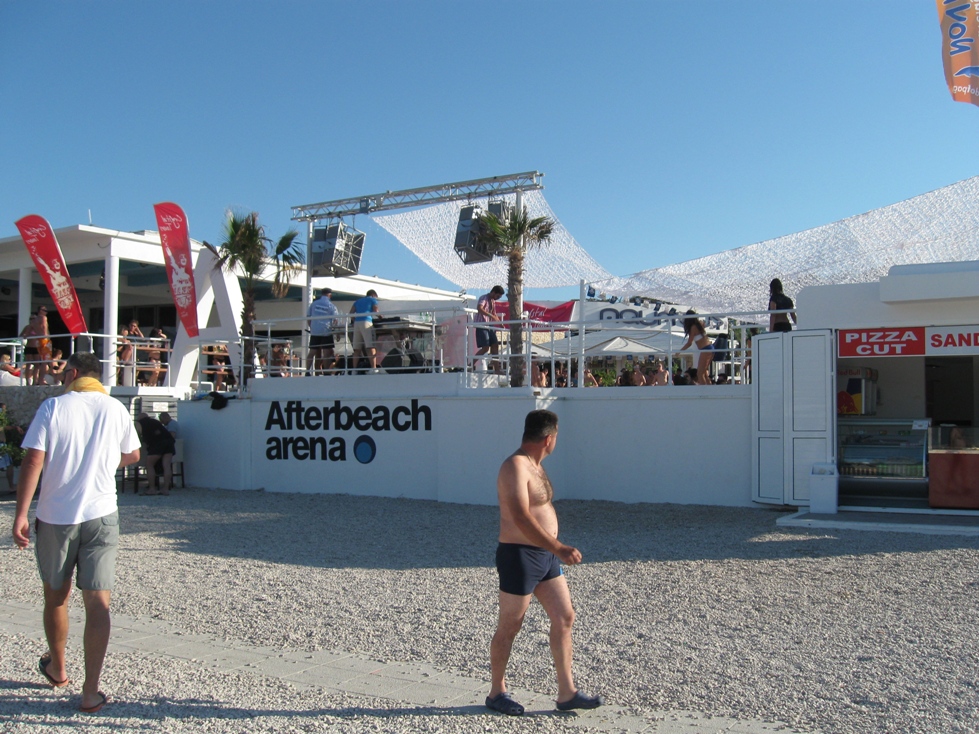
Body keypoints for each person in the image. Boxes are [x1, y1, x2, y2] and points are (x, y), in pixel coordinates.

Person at [11, 352, 141, 714]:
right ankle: (90, 691)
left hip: (57, 515)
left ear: (72, 373)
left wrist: (20, 514)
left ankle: (58, 669)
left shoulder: (54, 407)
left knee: (56, 596)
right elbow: (133, 454)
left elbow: (33, 459)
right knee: (98, 602)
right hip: (101, 513)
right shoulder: (114, 408)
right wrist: (102, 463)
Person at [487, 409, 603, 716]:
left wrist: (552, 549)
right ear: (549, 438)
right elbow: (520, 516)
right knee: (510, 625)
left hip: (545, 556)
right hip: (520, 556)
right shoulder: (514, 466)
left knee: (564, 616)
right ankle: (496, 692)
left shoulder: (536, 466)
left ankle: (567, 692)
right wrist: (559, 547)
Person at [135, 413, 176, 496]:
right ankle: (165, 489)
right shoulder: (156, 421)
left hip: (157, 444)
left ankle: (152, 489)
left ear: (139, 419)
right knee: (166, 466)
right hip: (169, 442)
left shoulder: (139, 423)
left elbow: (137, 436)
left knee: (149, 465)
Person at [307, 288, 339, 374]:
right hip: (326, 331)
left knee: (312, 352)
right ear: (330, 295)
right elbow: (335, 320)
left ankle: (307, 371)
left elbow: (308, 317)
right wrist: (335, 330)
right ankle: (326, 372)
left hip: (315, 331)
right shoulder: (331, 306)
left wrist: (312, 327)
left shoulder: (314, 304)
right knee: (326, 353)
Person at [474, 286, 505, 374]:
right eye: (498, 296)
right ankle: (470, 364)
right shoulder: (484, 298)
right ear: (493, 292)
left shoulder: (492, 301)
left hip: (489, 325)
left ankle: (497, 370)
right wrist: (490, 316)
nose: (498, 298)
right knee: (485, 348)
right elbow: (479, 308)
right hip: (482, 324)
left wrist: (500, 323)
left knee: (495, 345)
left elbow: (494, 313)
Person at [679, 310, 714, 385]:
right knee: (704, 373)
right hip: (709, 348)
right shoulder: (699, 325)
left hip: (706, 349)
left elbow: (689, 343)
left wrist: (680, 351)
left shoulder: (693, 327)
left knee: (699, 373)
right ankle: (710, 389)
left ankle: (704, 390)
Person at [349, 290, 380, 372]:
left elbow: (351, 313)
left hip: (357, 323)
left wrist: (354, 320)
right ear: (373, 295)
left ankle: (354, 370)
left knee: (357, 349)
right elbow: (376, 311)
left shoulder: (358, 301)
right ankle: (374, 368)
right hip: (366, 322)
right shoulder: (373, 300)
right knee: (370, 346)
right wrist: (381, 317)